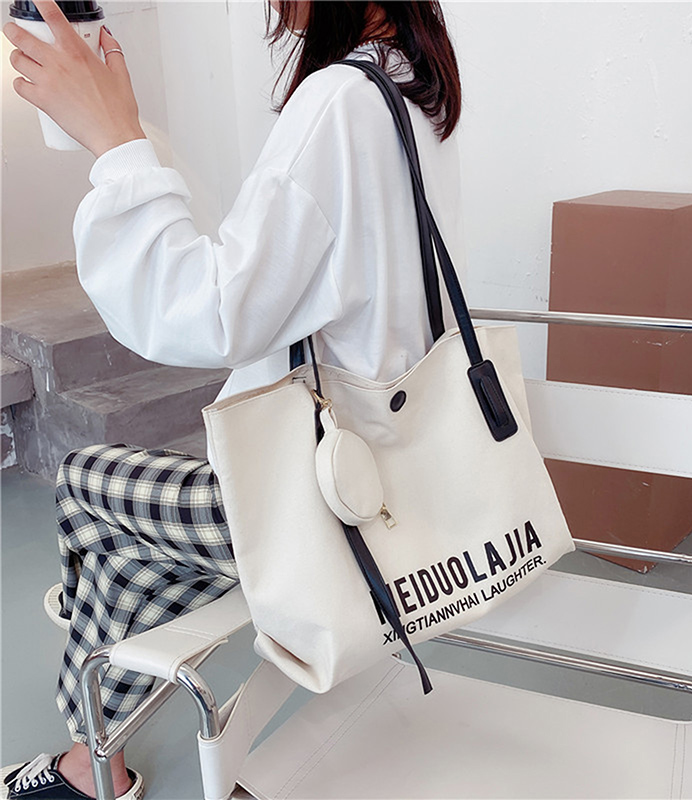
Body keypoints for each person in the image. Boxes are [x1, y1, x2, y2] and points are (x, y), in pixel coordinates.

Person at [2, 0, 463, 797]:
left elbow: (208, 313)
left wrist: (117, 141)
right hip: (394, 467)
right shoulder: (414, 84)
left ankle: (92, 726)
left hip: (324, 507)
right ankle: (90, 751)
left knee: (85, 483)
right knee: (122, 539)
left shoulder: (338, 100)